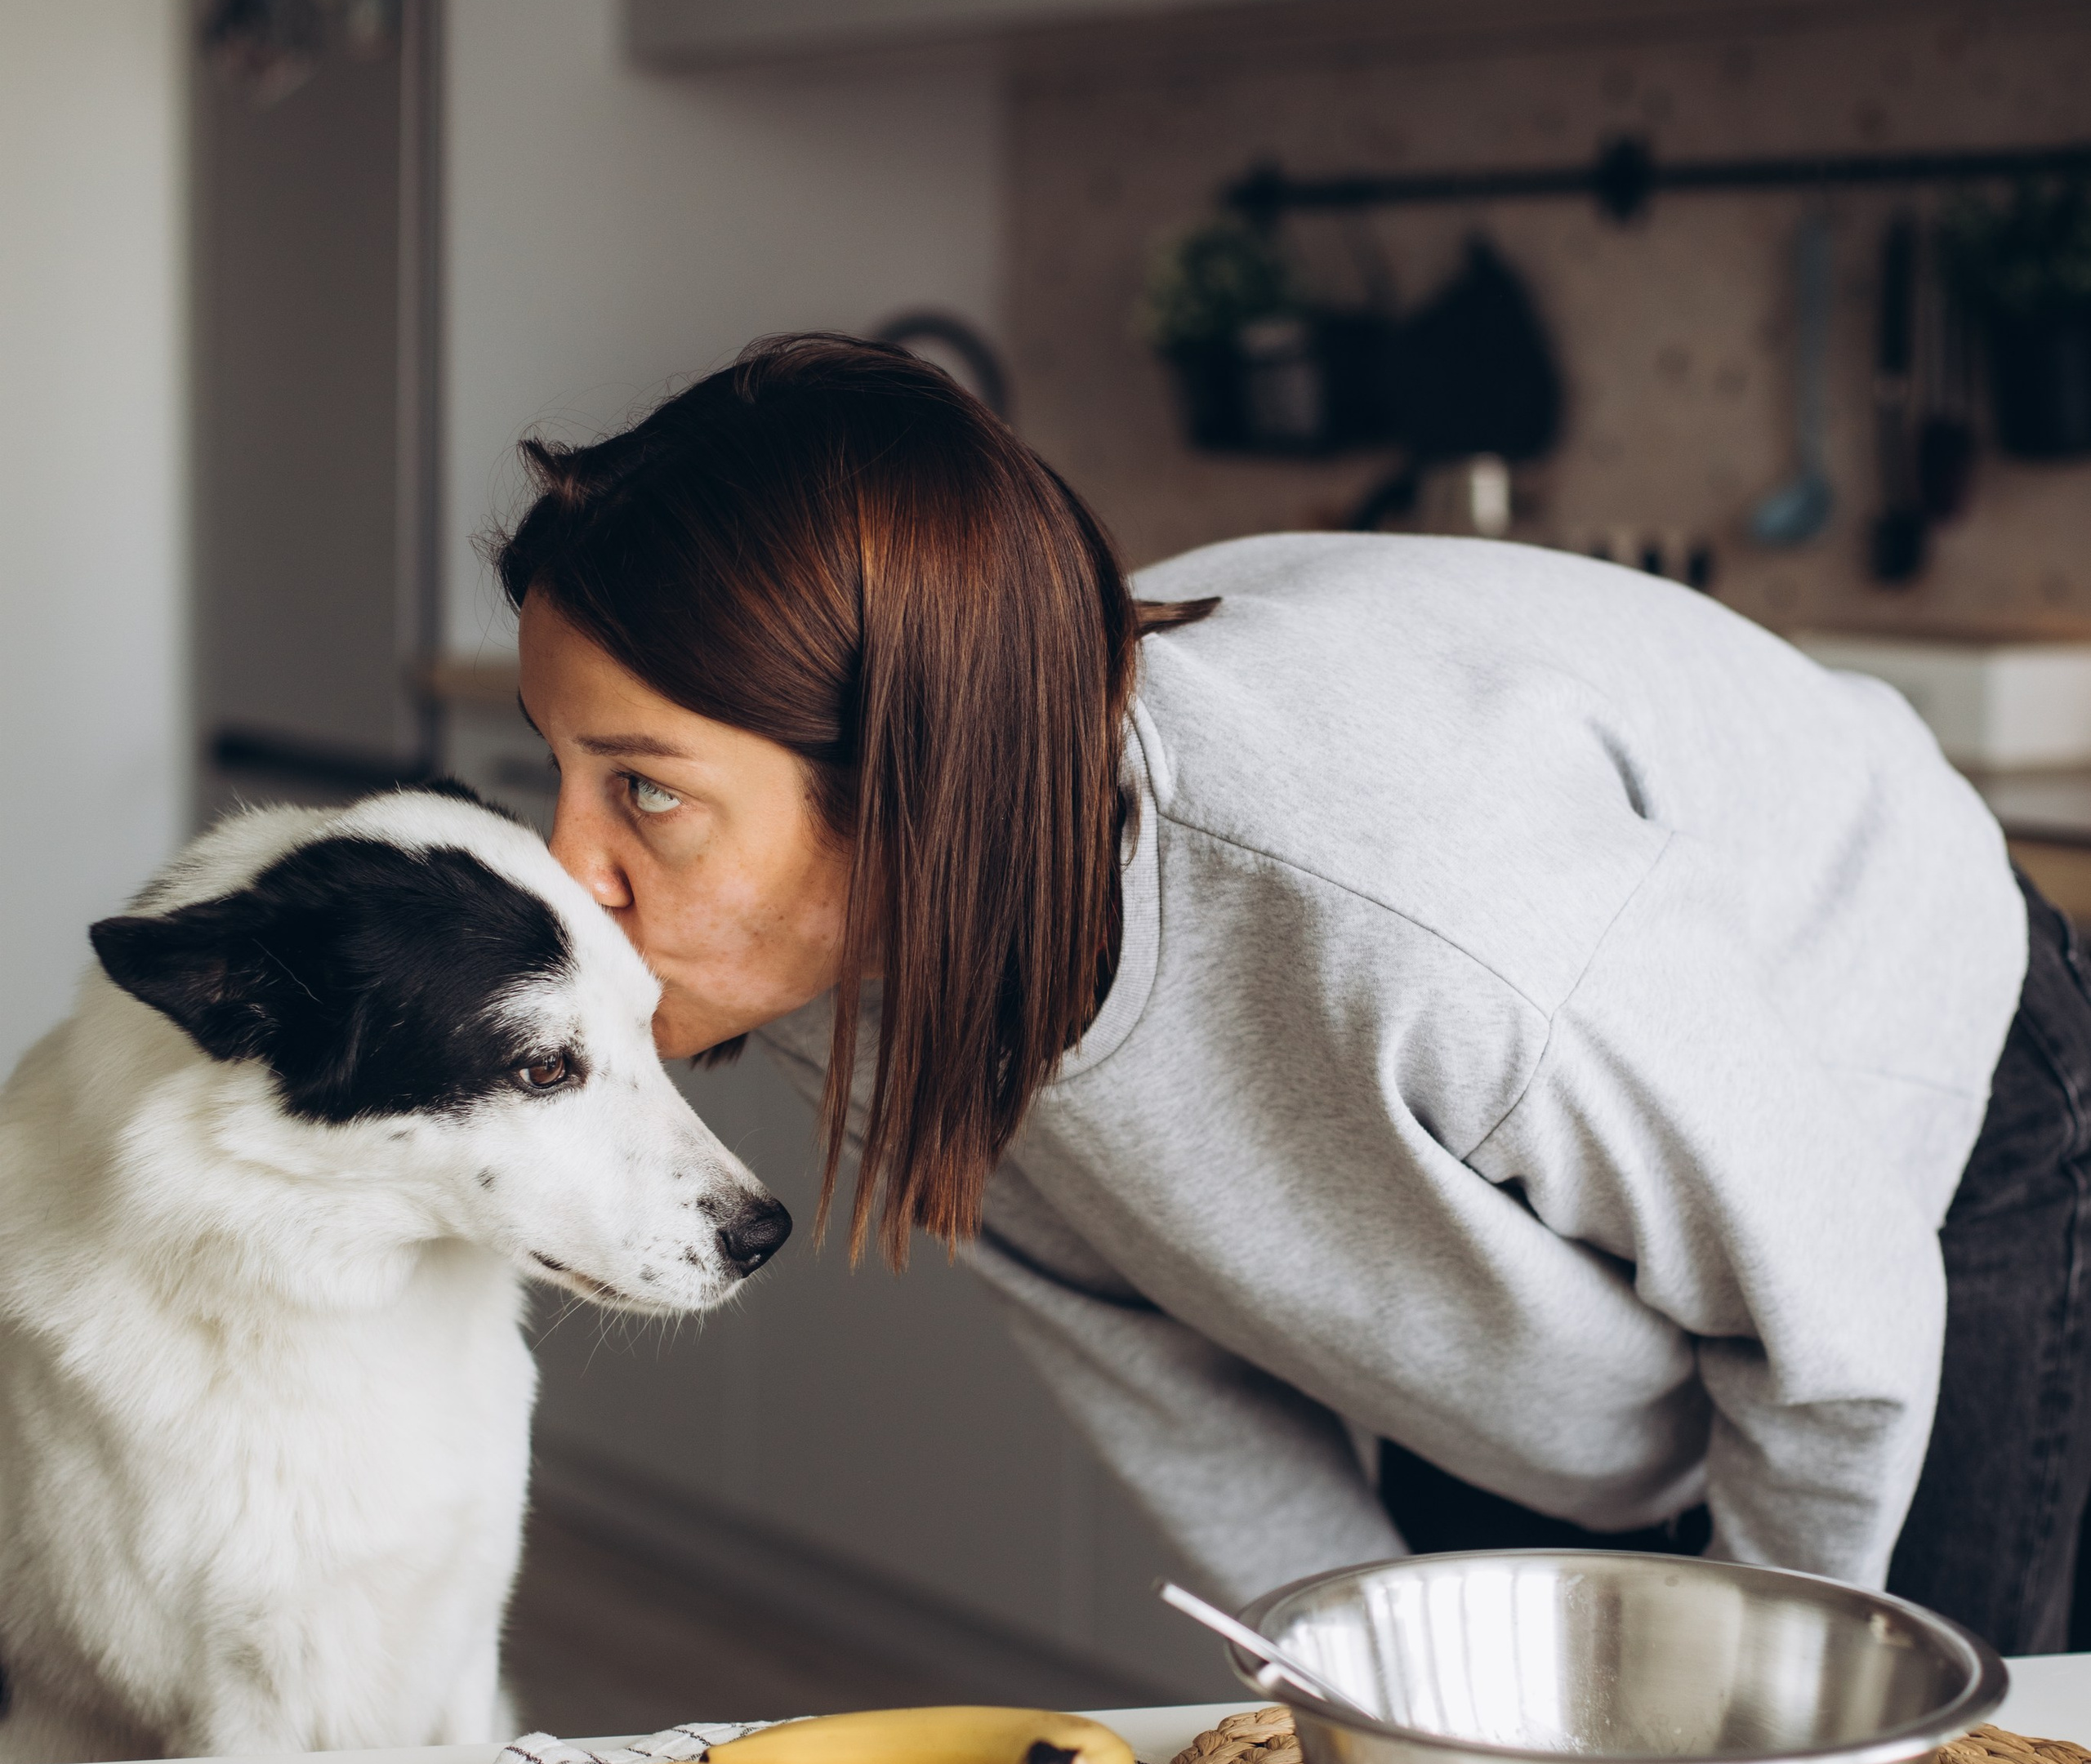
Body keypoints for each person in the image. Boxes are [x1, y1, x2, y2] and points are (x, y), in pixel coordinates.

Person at [499, 334, 2091, 1657]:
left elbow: (1837, 1315)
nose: (566, 868)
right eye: (560, 771)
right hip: (1543, 1265)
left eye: (641, 791)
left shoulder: (1407, 906)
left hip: (1904, 1113)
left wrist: (1748, 1712)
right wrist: (1376, 1689)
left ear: (905, 784)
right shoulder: (848, 955)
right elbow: (1152, 1366)